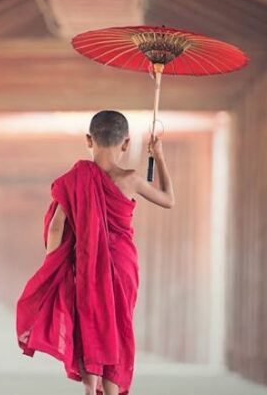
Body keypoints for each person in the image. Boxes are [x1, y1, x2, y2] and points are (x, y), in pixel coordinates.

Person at [16, 110, 175, 395]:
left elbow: (56, 226)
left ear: (89, 140)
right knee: (116, 324)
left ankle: (91, 389)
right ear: (125, 144)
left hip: (87, 264)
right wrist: (159, 156)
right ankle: (112, 392)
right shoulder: (131, 178)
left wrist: (55, 265)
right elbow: (168, 200)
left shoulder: (74, 179)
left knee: (90, 320)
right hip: (124, 265)